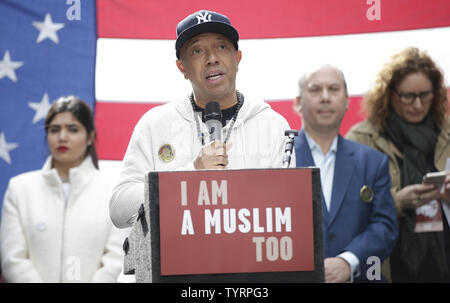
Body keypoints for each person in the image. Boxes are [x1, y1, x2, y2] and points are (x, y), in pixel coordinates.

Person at [109, 10, 293, 229]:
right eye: (197, 51)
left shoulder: (273, 126)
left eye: (222, 47)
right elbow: (119, 209)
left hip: (250, 259)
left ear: (237, 58)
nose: (212, 58)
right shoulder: (154, 125)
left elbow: (289, 209)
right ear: (182, 68)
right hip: (178, 261)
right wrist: (189, 176)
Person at [346, 47, 450, 282]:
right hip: (389, 265)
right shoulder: (362, 138)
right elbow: (347, 211)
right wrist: (396, 202)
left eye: (425, 95)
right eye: (408, 96)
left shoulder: (447, 132)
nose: (417, 104)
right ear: (390, 94)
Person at [0, 96, 125, 283]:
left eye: (73, 129)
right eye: (54, 129)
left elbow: (117, 259)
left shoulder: (114, 191)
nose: (62, 137)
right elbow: (13, 259)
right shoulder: (20, 189)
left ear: (90, 137)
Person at [293, 64, 398, 282]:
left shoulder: (373, 162)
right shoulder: (280, 159)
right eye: (314, 90)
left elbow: (384, 227)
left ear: (348, 101)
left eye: (333, 89)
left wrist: (348, 262)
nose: (325, 97)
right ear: (297, 103)